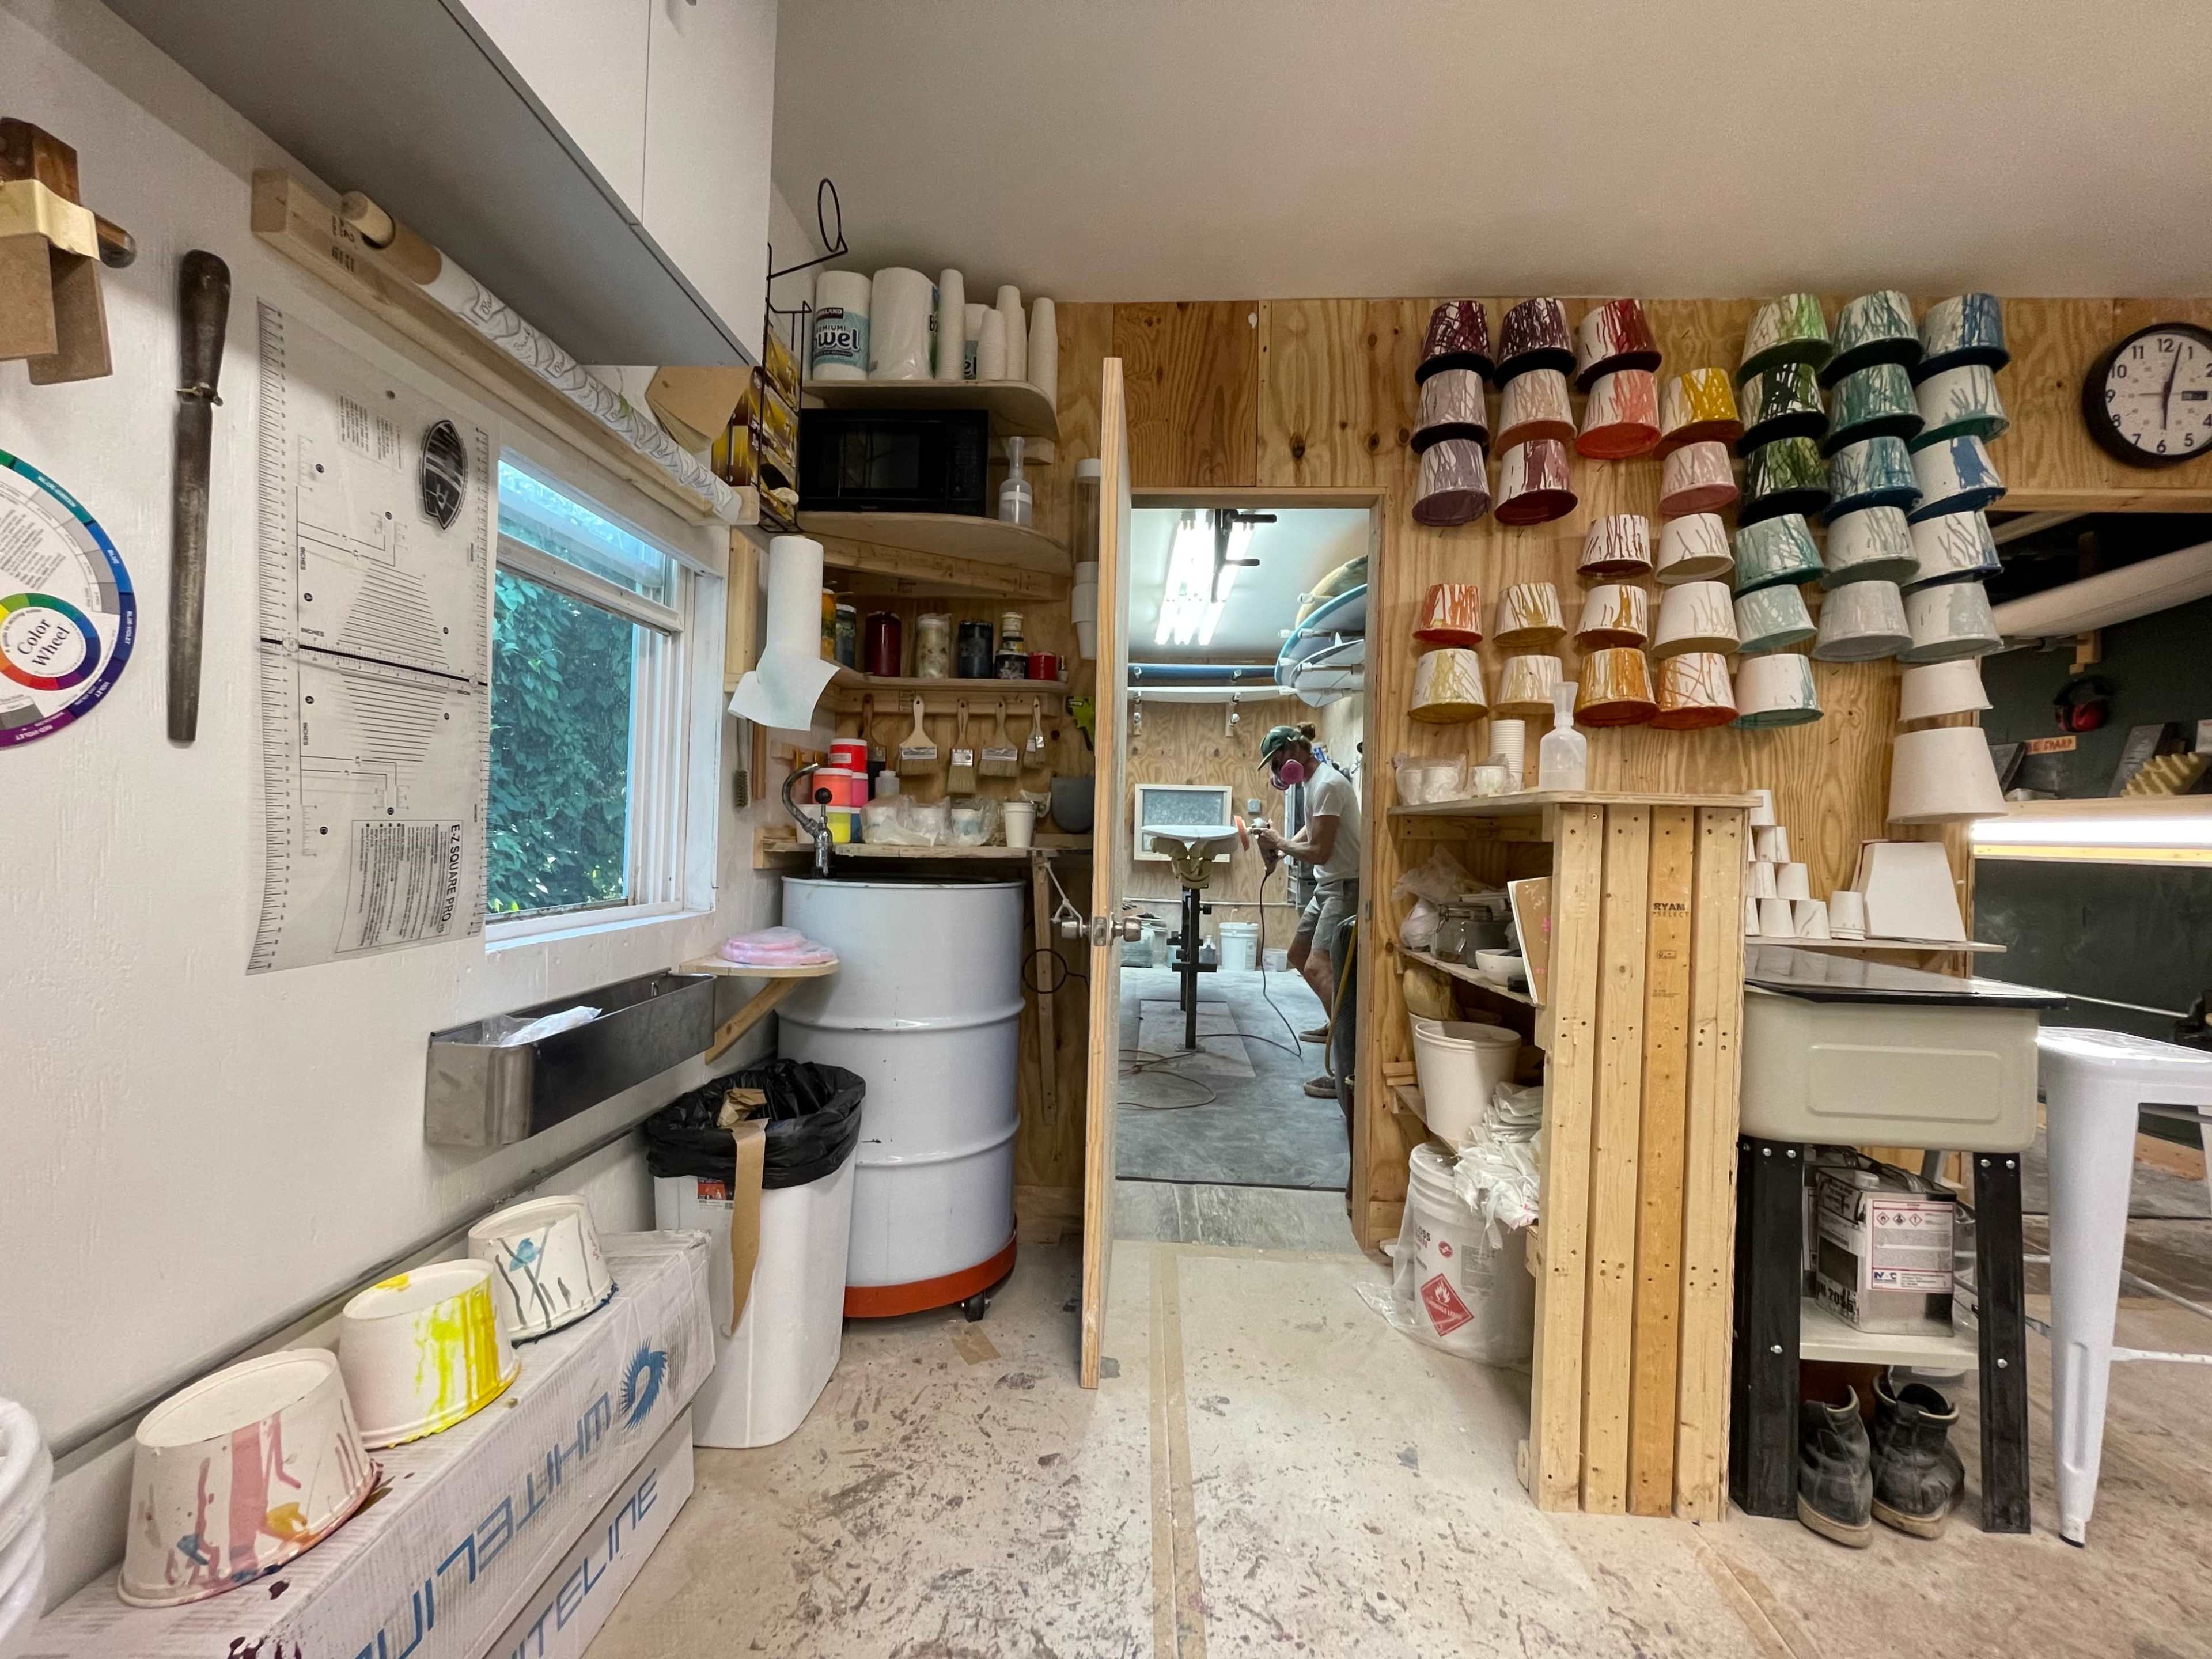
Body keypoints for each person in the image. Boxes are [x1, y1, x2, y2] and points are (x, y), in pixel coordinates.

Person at [1253, 724, 1360, 1099]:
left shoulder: (1329, 785)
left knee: (1319, 966)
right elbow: (1310, 832)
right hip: (1328, 884)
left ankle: (1352, 1066)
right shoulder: (1312, 785)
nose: (1278, 770)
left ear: (1298, 750)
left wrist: (1279, 842)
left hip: (1345, 886)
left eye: (1279, 760)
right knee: (1298, 955)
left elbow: (1320, 852)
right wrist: (1282, 849)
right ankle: (1338, 1025)